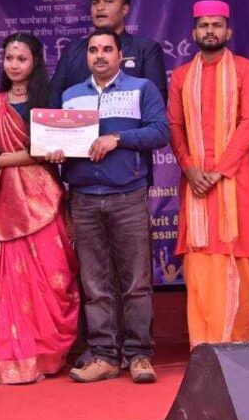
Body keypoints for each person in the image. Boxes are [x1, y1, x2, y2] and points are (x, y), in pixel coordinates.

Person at [0, 33, 79, 384]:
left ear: (35, 62)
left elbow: (45, 151)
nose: (14, 65)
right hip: (8, 203)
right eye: (9, 58)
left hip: (44, 197)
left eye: (22, 59)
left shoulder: (49, 101)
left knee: (55, 277)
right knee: (14, 282)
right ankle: (17, 357)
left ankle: (48, 355)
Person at [59, 28, 169, 383]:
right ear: (87, 57)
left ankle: (139, 355)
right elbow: (63, 143)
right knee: (95, 284)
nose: (100, 55)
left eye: (107, 49)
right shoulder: (71, 96)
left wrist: (117, 138)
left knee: (136, 282)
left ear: (121, 56)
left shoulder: (141, 89)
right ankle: (105, 356)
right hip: (84, 199)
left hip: (128, 196)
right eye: (94, 50)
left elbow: (160, 132)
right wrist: (56, 151)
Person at [168, 0, 249, 347]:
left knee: (242, 265)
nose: (210, 30)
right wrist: (190, 168)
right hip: (196, 187)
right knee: (200, 269)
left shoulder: (246, 70)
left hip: (235, 185)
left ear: (228, 31)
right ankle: (205, 348)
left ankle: (239, 347)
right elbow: (175, 126)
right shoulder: (181, 76)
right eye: (204, 25)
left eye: (217, 25)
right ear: (194, 32)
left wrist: (220, 170)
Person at [48, 0, 168, 107]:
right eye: (95, 2)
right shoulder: (73, 49)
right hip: (78, 119)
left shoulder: (146, 48)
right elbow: (54, 97)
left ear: (125, 9)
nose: (100, 7)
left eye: (108, 1)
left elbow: (156, 101)